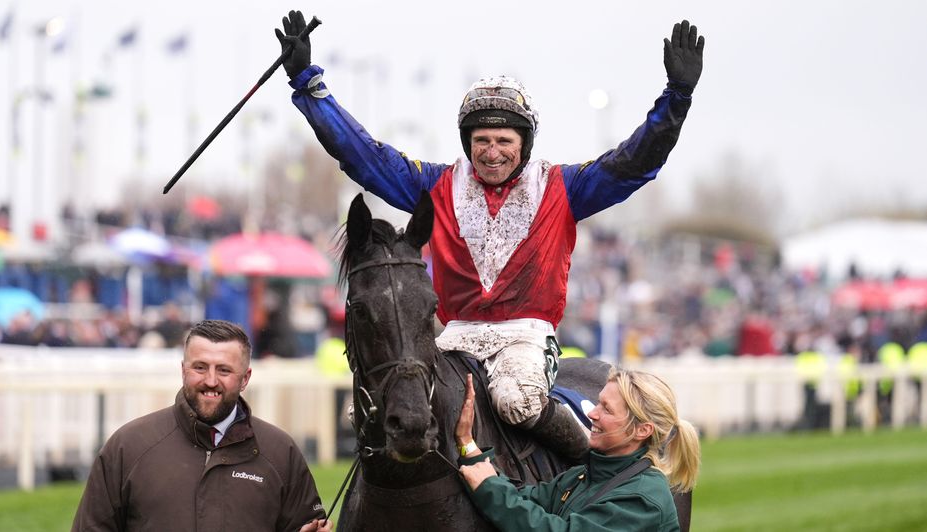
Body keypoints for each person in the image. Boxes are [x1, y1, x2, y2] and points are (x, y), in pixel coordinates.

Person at [278, 11, 704, 459]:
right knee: (391, 408)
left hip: (526, 335)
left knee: (514, 402)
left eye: (504, 140)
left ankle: (592, 482)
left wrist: (676, 99)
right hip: (453, 334)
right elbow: (364, 156)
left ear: (524, 144)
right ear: (467, 143)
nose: (492, 152)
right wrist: (309, 85)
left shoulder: (563, 187)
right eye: (482, 140)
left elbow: (632, 163)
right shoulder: (438, 185)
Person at [72, 319, 331, 532]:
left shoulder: (280, 452)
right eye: (200, 367)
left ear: (245, 378)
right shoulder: (129, 446)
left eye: (224, 370)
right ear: (183, 369)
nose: (210, 380)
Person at [457, 368, 700, 531]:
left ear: (642, 430)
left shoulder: (644, 499)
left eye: (607, 409)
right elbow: (522, 499)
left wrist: (488, 488)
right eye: (598, 403)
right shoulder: (582, 475)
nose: (592, 413)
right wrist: (469, 447)